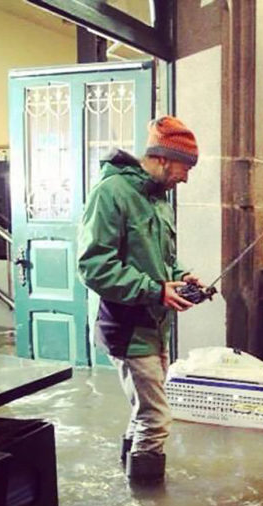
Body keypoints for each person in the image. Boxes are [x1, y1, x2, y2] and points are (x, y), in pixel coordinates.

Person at [78, 116, 203, 484]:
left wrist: (180, 277)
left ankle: (132, 489)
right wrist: (154, 290)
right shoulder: (111, 193)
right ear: (163, 159)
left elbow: (159, 257)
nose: (186, 177)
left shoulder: (158, 200)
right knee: (156, 416)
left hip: (153, 324)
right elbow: (93, 266)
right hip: (126, 326)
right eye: (185, 167)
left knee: (144, 409)